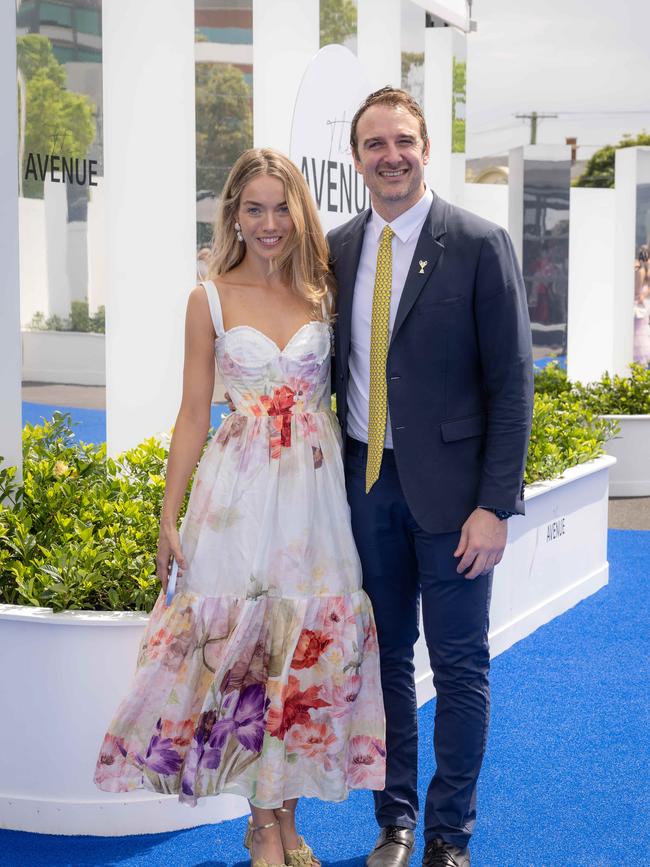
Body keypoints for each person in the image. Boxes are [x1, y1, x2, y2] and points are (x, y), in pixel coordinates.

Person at [94, 148, 386, 867]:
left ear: (300, 212)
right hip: (238, 501)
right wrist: (169, 514)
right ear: (233, 215)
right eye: (252, 208)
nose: (268, 223)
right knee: (246, 655)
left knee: (303, 656)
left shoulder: (325, 290)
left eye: (281, 207)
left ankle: (283, 818)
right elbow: (193, 413)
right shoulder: (209, 298)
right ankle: (261, 826)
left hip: (316, 507)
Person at [327, 88, 534, 867]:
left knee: (458, 665)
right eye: (375, 143)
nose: (392, 155)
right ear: (357, 158)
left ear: (425, 148)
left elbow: (512, 384)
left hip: (455, 504)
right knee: (382, 667)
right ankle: (396, 821)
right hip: (364, 489)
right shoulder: (338, 247)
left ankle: (449, 833)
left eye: (404, 140)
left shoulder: (479, 243)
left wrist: (494, 505)